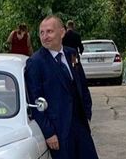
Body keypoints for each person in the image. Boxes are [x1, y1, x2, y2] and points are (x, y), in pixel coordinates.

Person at [25, 15, 98, 159]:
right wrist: (49, 133)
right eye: (42, 32)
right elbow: (36, 102)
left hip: (81, 127)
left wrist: (87, 113)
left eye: (50, 31)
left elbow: (82, 85)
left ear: (62, 32)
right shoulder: (35, 62)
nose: (45, 36)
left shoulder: (72, 54)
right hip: (59, 131)